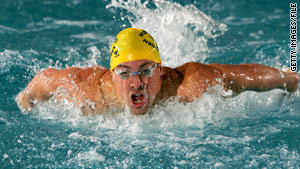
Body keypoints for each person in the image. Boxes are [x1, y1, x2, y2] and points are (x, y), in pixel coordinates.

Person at [16, 28, 299, 115]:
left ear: (161, 71)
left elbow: (244, 76)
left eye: (147, 70)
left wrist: (291, 78)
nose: (137, 82)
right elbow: (43, 81)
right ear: (112, 74)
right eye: (124, 73)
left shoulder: (192, 85)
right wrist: (24, 102)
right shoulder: (87, 91)